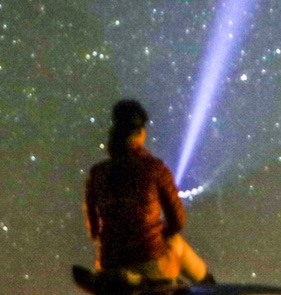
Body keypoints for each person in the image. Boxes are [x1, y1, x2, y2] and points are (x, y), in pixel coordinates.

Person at [82, 99, 212, 287]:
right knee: (176, 243)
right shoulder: (155, 169)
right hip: (150, 262)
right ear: (141, 133)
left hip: (109, 265)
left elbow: (94, 231)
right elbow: (178, 221)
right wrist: (157, 237)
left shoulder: (97, 173)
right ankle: (209, 286)